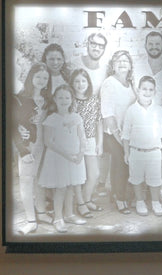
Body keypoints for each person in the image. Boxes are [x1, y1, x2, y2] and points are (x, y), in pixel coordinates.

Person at [134, 31, 162, 204]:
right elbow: (134, 93)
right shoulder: (138, 65)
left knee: (161, 157)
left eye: (157, 44)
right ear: (146, 46)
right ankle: (141, 195)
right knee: (142, 156)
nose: (154, 47)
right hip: (141, 119)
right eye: (150, 44)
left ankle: (158, 191)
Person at [38, 85, 87, 233]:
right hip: (59, 158)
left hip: (74, 157)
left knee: (71, 186)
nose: (64, 100)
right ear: (55, 99)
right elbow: (49, 142)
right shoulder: (51, 119)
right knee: (61, 188)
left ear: (72, 99)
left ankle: (69, 214)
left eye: (67, 97)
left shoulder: (77, 117)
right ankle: (58, 218)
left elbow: (82, 137)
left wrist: (80, 153)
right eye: (60, 97)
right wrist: (68, 155)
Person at [12, 62, 52, 234]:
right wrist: (23, 150)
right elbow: (12, 126)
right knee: (26, 181)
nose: (41, 80)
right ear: (31, 77)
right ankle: (30, 220)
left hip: (45, 145)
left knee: (40, 180)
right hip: (28, 146)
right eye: (38, 77)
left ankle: (41, 212)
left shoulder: (48, 100)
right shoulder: (19, 98)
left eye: (45, 78)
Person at [122, 76, 162, 216]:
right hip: (136, 151)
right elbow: (126, 134)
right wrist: (126, 153)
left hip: (154, 151)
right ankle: (140, 201)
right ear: (138, 90)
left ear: (155, 92)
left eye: (150, 89)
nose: (147, 92)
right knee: (136, 178)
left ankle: (155, 202)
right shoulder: (131, 110)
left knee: (155, 179)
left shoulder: (159, 110)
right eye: (144, 89)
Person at [100, 50, 136, 214]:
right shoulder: (109, 83)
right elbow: (108, 113)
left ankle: (119, 194)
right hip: (113, 134)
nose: (122, 63)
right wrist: (119, 136)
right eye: (118, 61)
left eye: (125, 61)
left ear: (130, 66)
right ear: (113, 65)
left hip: (128, 133)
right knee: (121, 164)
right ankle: (119, 198)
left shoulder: (130, 84)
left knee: (128, 165)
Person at [70, 69, 104, 216]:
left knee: (94, 174)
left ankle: (86, 199)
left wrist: (99, 143)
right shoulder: (69, 100)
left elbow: (99, 122)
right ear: (72, 83)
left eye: (83, 81)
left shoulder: (94, 99)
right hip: (74, 141)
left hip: (90, 139)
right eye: (77, 81)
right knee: (77, 175)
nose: (80, 84)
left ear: (88, 83)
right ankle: (81, 203)